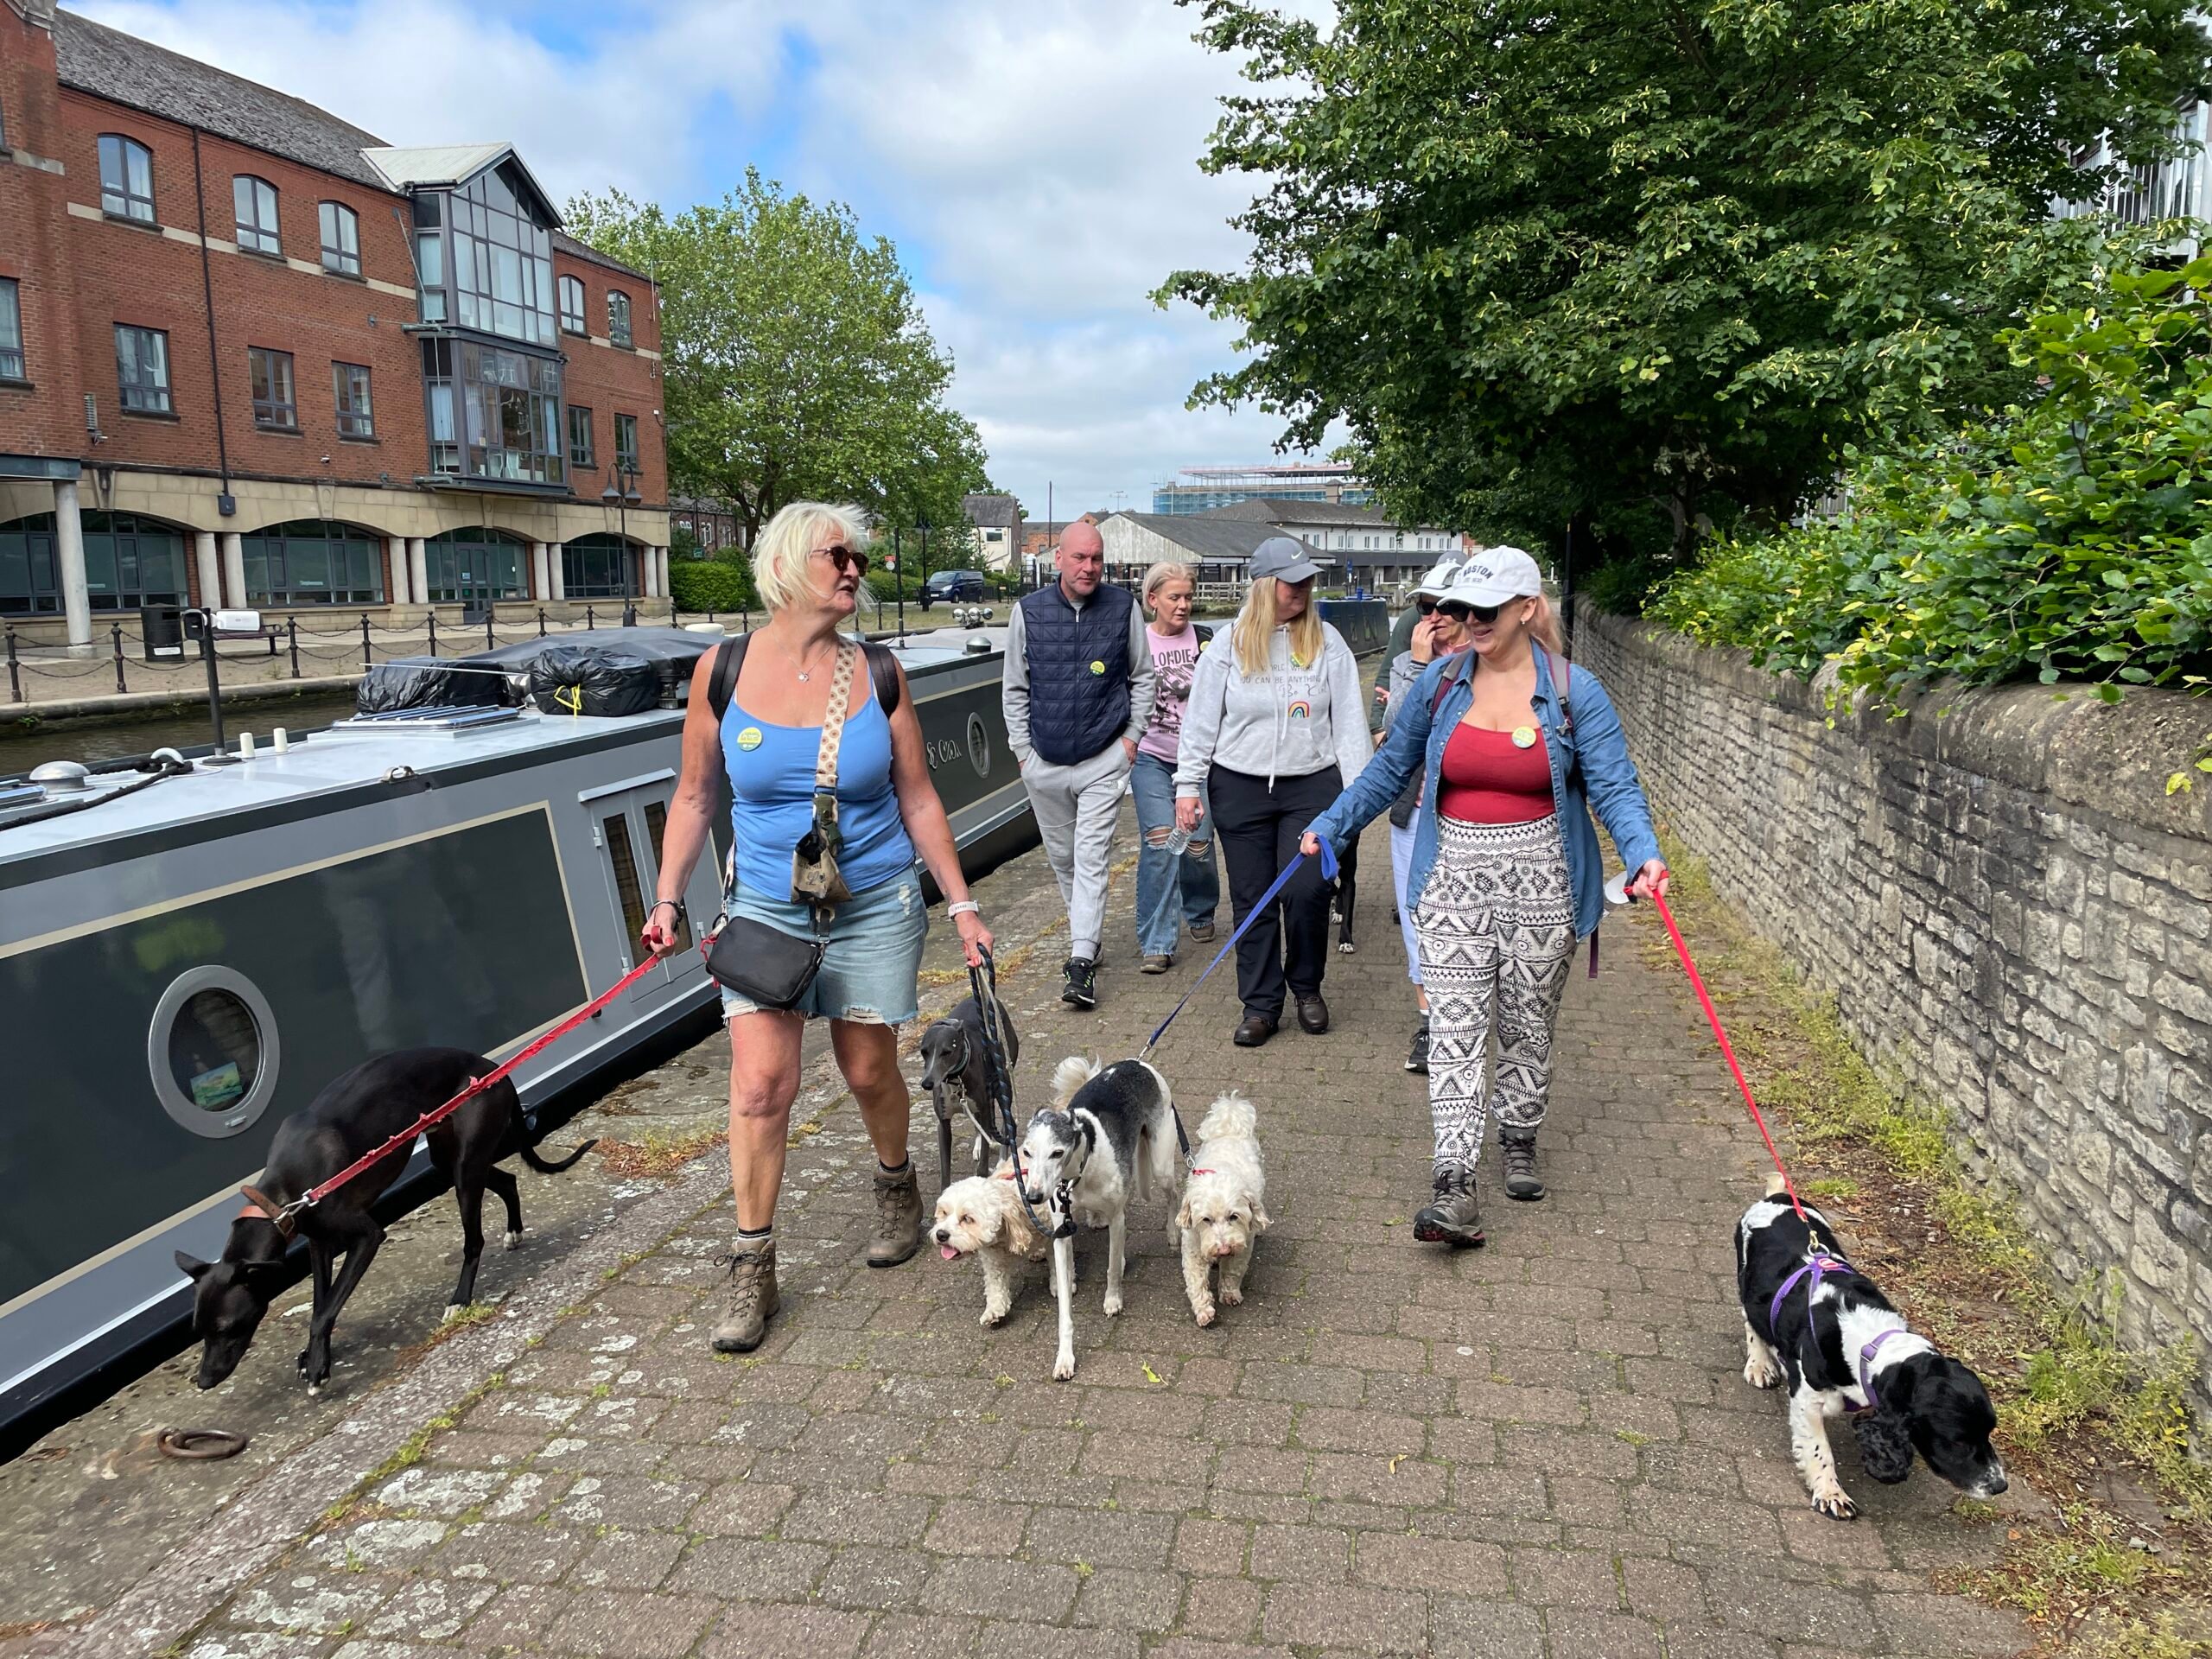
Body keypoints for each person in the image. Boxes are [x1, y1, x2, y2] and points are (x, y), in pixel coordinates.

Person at [644, 501, 992, 1355]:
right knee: (761, 1087)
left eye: (859, 560)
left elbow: (917, 796)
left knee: (868, 1068)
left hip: (871, 900)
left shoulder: (878, 672)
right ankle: (751, 1263)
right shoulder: (720, 672)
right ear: (790, 564)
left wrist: (964, 905)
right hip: (766, 906)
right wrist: (665, 899)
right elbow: (694, 797)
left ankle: (895, 1182)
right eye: (839, 555)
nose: (853, 570)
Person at [1304, 547, 1666, 1246]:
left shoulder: (1573, 691)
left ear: (1527, 609)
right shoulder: (1439, 685)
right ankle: (1454, 1181)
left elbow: (1616, 785)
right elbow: (1389, 770)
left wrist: (1642, 852)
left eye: (1482, 611)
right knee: (1456, 1030)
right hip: (1451, 878)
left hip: (1544, 881)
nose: (1464, 622)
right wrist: (1332, 824)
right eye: (1456, 609)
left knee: (1528, 1025)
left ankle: (1520, 1133)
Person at [1175, 537, 1373, 1047]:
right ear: (1265, 586)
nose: (1303, 590)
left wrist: (1359, 798)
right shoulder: (1228, 644)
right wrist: (1188, 785)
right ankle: (1261, 1004)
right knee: (1252, 898)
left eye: (1308, 580)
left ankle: (1306, 986)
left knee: (1307, 890)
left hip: (1312, 784)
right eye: (1293, 582)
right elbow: (1200, 722)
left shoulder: (1328, 642)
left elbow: (1350, 724)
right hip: (1239, 784)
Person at [1002, 519, 1156, 1009]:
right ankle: (1085, 937)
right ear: (1058, 560)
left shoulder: (1123, 608)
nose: (1090, 567)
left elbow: (1142, 677)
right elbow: (1014, 688)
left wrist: (1130, 740)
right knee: (1064, 860)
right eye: (1080, 558)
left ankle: (1081, 962)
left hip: (1103, 758)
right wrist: (1022, 752)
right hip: (1043, 763)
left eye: (1096, 559)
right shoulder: (1026, 613)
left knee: (1091, 858)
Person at [1382, 560, 1471, 1074]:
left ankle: (1467, 1017)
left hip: (1465, 813)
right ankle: (1429, 1023)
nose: (1434, 617)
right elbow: (1399, 730)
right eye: (1424, 607)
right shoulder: (1410, 662)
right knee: (1418, 916)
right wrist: (1415, 666)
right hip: (1413, 808)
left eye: (1444, 608)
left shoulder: (1484, 661)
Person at [1131, 562, 1221, 972]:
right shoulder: (1137, 644)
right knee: (1160, 841)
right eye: (1174, 597)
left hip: (1197, 758)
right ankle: (1157, 941)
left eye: (1188, 596)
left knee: (1198, 846)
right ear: (1153, 600)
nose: (1184, 605)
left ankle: (1200, 910)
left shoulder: (1207, 641)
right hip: (1150, 755)